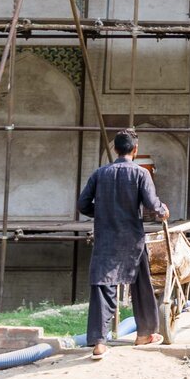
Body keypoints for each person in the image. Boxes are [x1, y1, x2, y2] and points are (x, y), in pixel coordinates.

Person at [76, 130, 168, 357]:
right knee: (141, 285)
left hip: (105, 238)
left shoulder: (100, 173)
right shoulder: (140, 174)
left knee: (102, 286)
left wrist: (99, 212)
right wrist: (162, 211)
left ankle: (99, 341)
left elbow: (83, 204)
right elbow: (151, 203)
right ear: (135, 150)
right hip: (131, 238)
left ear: (116, 149)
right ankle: (144, 334)